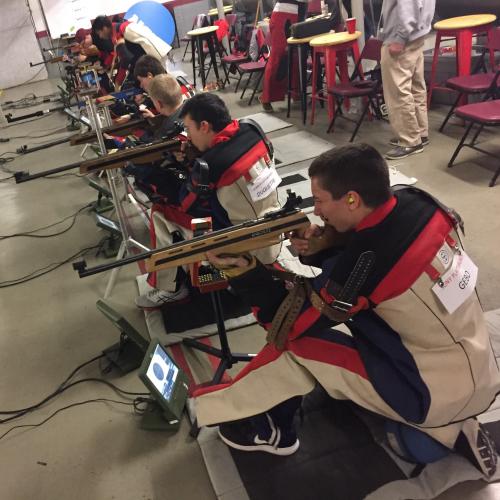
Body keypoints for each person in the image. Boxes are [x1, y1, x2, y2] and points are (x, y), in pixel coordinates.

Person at [194, 143, 500, 476]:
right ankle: (457, 425)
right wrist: (324, 247)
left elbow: (291, 322)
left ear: (352, 198)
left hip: (427, 393)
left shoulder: (364, 262)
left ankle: (251, 423)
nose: (318, 211)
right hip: (478, 362)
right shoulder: (419, 203)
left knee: (297, 345)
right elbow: (377, 256)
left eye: (321, 200)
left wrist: (247, 273)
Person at [134, 93, 281, 309]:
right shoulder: (251, 128)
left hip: (237, 235)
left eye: (189, 128)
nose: (188, 136)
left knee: (160, 212)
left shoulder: (209, 166)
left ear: (204, 126)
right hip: (274, 218)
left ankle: (170, 289)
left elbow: (185, 202)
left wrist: (185, 169)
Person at [379, 0, 435, 160]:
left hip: (402, 39)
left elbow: (408, 6)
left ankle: (410, 140)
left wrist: (399, 38)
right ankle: (420, 133)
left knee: (398, 92)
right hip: (417, 35)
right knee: (415, 87)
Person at [259, 0, 308, 112]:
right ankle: (266, 97)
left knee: (296, 57)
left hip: (299, 14)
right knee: (278, 56)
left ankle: (296, 93)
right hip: (283, 15)